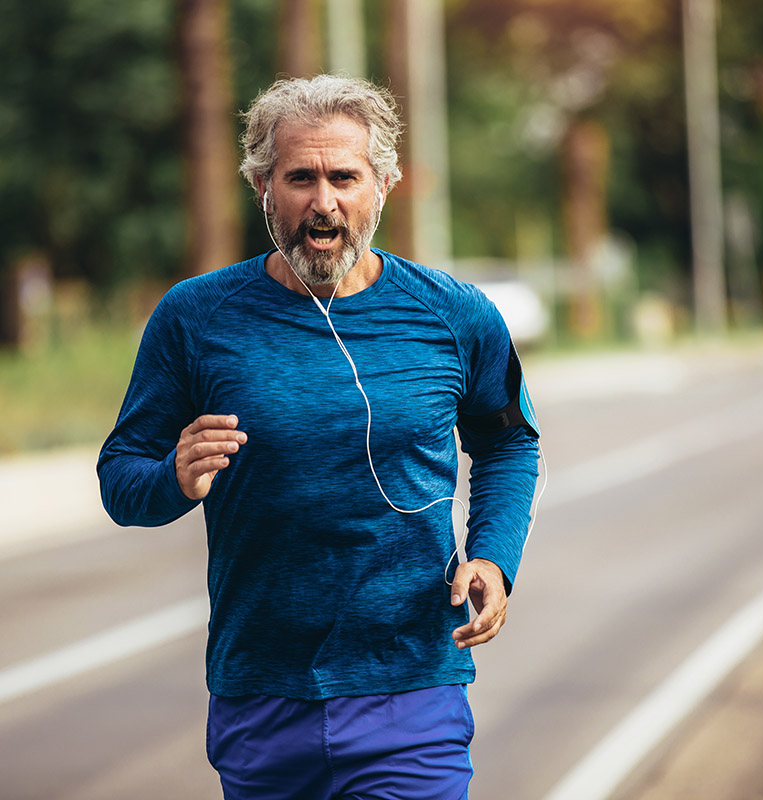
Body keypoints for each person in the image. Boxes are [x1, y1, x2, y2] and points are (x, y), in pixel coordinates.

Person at [98, 74, 540, 800]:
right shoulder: (197, 318)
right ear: (263, 187)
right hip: (260, 692)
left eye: (345, 176)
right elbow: (121, 481)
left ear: (385, 185)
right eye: (300, 177)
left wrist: (494, 556)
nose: (323, 201)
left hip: (411, 685)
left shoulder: (454, 315)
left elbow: (509, 443)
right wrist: (171, 478)